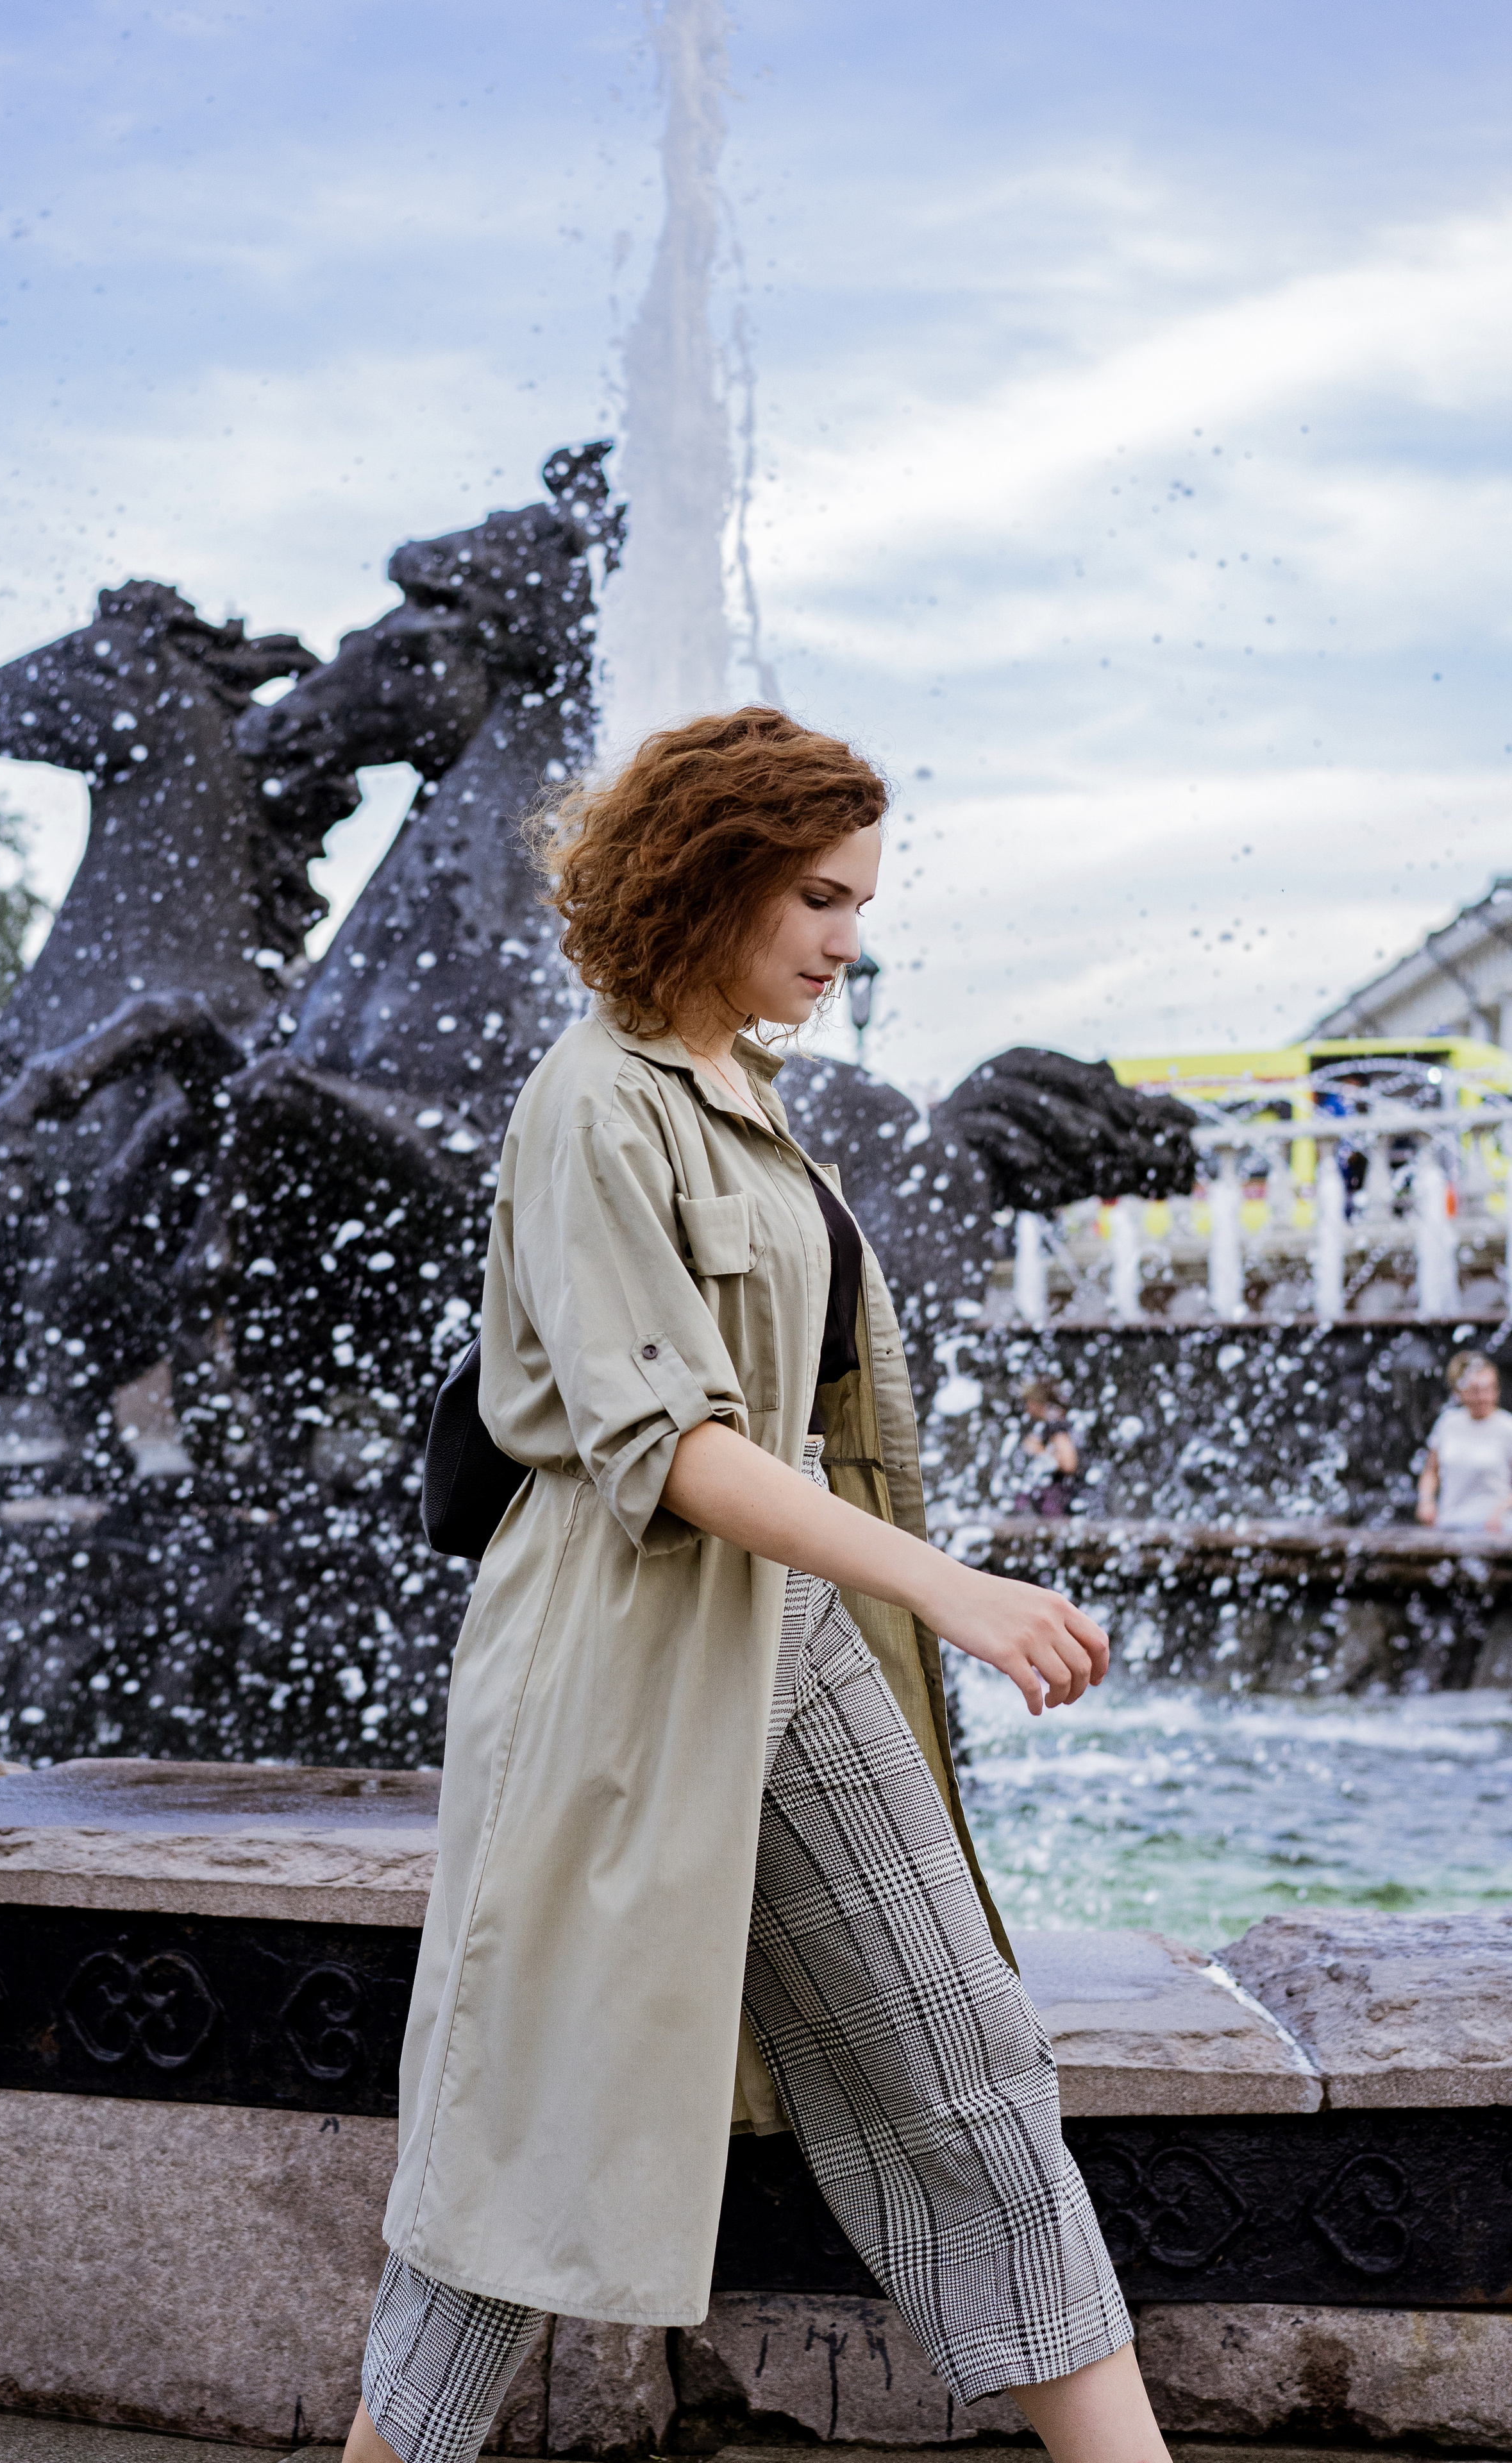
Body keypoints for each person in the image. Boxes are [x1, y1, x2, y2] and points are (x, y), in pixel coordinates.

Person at [345, 708, 1171, 2463]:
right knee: (515, 2145)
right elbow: (682, 1450)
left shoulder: (754, 1096)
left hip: (779, 1637)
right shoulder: (593, 1105)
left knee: (972, 2073)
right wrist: (955, 1589)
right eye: (817, 893)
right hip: (614, 1670)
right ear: (708, 876)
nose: (848, 939)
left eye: (859, 899)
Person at [1417, 1351, 1512, 1532]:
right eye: (1476, 1390)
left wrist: (1502, 1510)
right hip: (1449, 1524)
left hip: (1495, 1528)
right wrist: (1426, 1501)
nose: (1484, 1397)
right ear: (1459, 1391)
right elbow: (1431, 1470)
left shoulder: (1508, 1427)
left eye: (1490, 1388)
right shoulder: (1447, 1423)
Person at [1015, 1376, 1081, 1517]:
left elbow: (1069, 1464)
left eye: (1028, 1402)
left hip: (1056, 1499)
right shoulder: (1040, 1426)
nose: (1027, 1406)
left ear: (1036, 1403)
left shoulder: (1057, 1427)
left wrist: (1041, 1451)